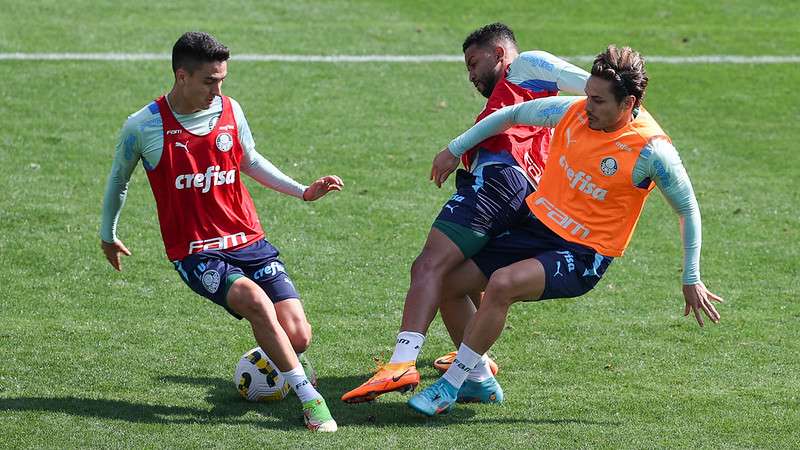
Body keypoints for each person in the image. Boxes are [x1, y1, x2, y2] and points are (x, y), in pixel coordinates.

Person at [408, 45, 724, 416]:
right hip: (538, 227)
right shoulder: (573, 112)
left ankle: (449, 385)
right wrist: (455, 148)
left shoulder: (652, 151)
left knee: (502, 284)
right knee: (447, 284)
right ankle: (478, 381)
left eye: (598, 101)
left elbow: (687, 208)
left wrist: (691, 276)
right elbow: (512, 114)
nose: (587, 105)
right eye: (588, 94)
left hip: (583, 253)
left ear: (629, 103)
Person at [99, 32, 343, 432]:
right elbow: (118, 181)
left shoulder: (230, 110)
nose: (218, 89)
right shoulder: (144, 126)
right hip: (196, 251)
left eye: (222, 79)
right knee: (257, 303)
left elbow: (249, 160)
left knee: (297, 334)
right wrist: (107, 234)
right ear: (182, 76)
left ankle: (283, 359)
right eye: (209, 81)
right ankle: (311, 400)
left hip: (247, 239)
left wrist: (303, 191)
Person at [341, 23, 590, 404]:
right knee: (455, 282)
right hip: (526, 198)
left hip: (498, 181)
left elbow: (592, 85)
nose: (471, 75)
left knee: (428, 266)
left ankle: (401, 363)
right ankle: (476, 372)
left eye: (475, 63)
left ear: (500, 54)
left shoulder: (525, 67)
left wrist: (626, 99)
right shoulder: (531, 102)